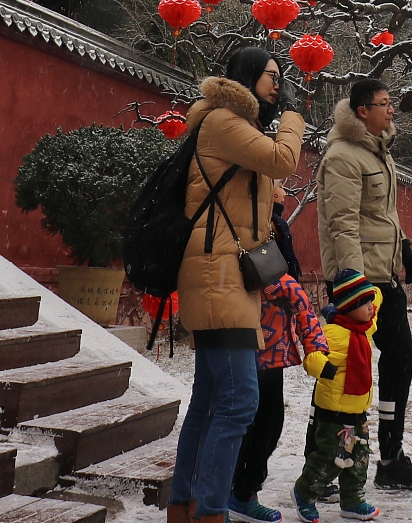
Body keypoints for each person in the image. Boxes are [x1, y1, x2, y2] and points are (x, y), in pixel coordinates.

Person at [169, 47, 305, 523]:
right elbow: (283, 159)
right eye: (272, 76)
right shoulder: (224, 121)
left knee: (209, 401)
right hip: (217, 276)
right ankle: (209, 511)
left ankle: (185, 506)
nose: (278, 84)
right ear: (247, 76)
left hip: (223, 274)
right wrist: (292, 118)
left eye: (281, 77)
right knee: (240, 400)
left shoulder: (226, 126)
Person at [317, 78, 412, 490]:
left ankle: (389, 455)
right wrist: (354, 289)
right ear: (362, 110)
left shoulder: (377, 151)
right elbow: (343, 224)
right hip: (360, 284)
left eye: (392, 103)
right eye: (384, 104)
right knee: (347, 373)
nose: (391, 110)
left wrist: (406, 251)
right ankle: (327, 466)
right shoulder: (344, 156)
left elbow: (384, 215)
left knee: (400, 359)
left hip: (385, 277)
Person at [229, 204, 327, 523]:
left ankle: (242, 493)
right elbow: (306, 316)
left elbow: (306, 317)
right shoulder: (242, 278)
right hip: (243, 358)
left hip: (270, 365)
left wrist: (317, 353)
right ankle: (229, 494)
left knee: (267, 428)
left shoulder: (283, 284)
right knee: (245, 428)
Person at [292, 270, 384, 523]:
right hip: (333, 412)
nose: (370, 309)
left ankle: (353, 501)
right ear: (348, 308)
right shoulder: (332, 334)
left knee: (359, 457)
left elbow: (376, 297)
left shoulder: (365, 326)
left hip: (357, 411)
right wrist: (325, 368)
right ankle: (304, 493)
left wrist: (370, 288)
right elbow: (312, 356)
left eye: (369, 304)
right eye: (363, 305)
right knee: (331, 458)